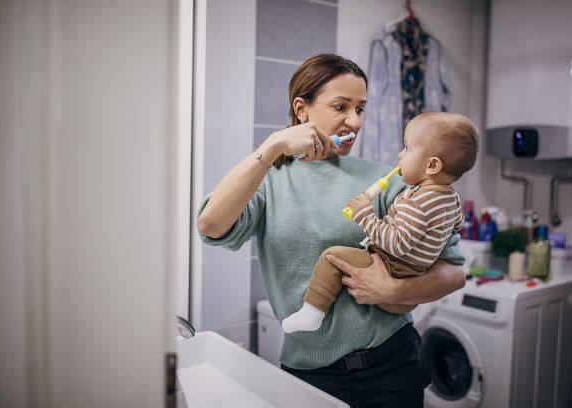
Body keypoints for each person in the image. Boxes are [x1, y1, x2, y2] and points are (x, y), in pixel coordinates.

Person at [197, 54, 466, 408]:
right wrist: (275, 145)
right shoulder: (269, 182)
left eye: (361, 109)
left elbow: (454, 272)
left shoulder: (388, 178)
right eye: (341, 106)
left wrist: (394, 288)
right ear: (301, 109)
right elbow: (211, 226)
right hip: (311, 374)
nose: (354, 121)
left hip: (394, 364)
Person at [281, 111, 478, 334]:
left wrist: (365, 215)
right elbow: (457, 224)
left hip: (394, 269)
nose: (400, 154)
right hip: (413, 281)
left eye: (407, 148)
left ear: (432, 166)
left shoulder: (418, 203)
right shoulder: (450, 198)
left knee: (333, 258)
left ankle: (313, 313)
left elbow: (396, 245)